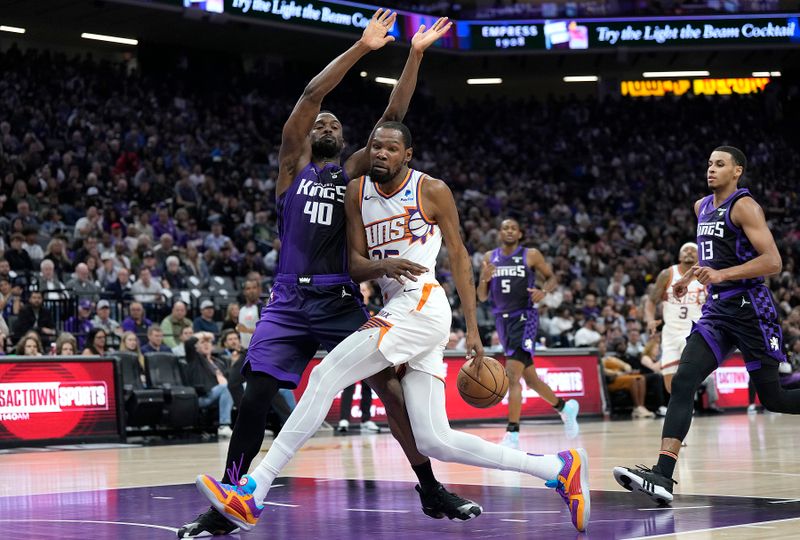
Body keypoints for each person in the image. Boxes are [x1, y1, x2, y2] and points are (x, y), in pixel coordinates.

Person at [195, 121, 590, 533]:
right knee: (436, 440)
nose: (381, 153)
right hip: (399, 306)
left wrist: (474, 328)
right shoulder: (356, 192)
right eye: (376, 146)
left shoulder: (430, 189)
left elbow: (458, 255)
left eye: (390, 148)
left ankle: (254, 490)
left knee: (326, 375)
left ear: (407, 154)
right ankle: (557, 468)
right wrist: (383, 265)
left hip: (421, 304)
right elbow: (354, 265)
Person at [179, 15, 481, 538]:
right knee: (254, 396)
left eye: (335, 125)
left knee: (390, 388)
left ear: (346, 142)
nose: (326, 124)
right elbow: (312, 93)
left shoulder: (351, 176)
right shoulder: (291, 168)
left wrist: (413, 56)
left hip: (339, 300)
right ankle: (230, 499)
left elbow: (394, 116)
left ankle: (429, 488)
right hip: (287, 303)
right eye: (321, 122)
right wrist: (362, 48)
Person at [613, 146, 800, 505]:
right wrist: (688, 279)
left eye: (720, 164)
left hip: (750, 309)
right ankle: (662, 476)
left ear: (738, 171)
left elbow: (773, 261)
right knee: (683, 381)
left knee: (773, 398)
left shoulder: (745, 207)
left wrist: (721, 274)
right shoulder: (701, 207)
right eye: (709, 164)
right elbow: (713, 253)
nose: (711, 170)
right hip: (717, 309)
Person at [477, 218, 580, 447]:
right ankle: (565, 408)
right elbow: (482, 297)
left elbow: (553, 278)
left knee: (512, 375)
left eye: (514, 227)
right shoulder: (489, 258)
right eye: (505, 228)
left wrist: (543, 291)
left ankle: (512, 434)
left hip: (525, 317)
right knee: (531, 380)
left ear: (520, 233)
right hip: (502, 321)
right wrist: (484, 281)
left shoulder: (531, 254)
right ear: (499, 233)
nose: (509, 231)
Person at [644, 242, 707, 393]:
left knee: (689, 374)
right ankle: (682, 411)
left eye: (693, 250)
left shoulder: (705, 274)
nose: (689, 252)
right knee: (670, 385)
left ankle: (689, 407)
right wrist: (650, 319)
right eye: (685, 250)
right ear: (679, 256)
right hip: (671, 333)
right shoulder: (668, 274)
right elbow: (651, 301)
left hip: (694, 332)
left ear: (699, 256)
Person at [184, 331, 234, 439]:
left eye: (208, 342)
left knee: (244, 388)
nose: (206, 344)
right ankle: (223, 426)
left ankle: (252, 425)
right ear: (196, 347)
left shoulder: (219, 362)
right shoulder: (194, 359)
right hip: (203, 396)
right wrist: (203, 335)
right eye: (202, 342)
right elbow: (188, 343)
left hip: (222, 394)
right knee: (225, 387)